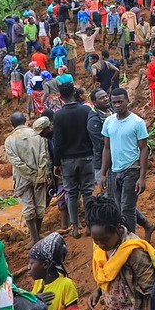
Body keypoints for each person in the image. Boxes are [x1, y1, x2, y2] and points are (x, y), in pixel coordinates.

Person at [87, 196, 155, 310]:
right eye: (96, 240)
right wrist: (98, 291)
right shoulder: (100, 248)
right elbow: (106, 274)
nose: (100, 244)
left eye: (104, 240)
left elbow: (150, 290)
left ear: (119, 229)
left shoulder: (134, 251)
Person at [101, 89, 150, 235]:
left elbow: (144, 149)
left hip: (132, 169)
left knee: (127, 209)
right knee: (118, 206)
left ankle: (130, 241)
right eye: (114, 102)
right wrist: (103, 173)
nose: (117, 105)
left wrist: (142, 177)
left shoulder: (137, 122)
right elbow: (107, 148)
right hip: (115, 171)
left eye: (120, 101)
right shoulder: (109, 122)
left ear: (127, 101)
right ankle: (146, 226)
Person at [53, 83, 95, 238]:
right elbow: (91, 133)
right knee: (88, 192)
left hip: (68, 160)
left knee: (72, 194)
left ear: (60, 96)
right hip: (87, 157)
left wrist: (56, 163)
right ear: (75, 93)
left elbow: (58, 142)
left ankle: (75, 227)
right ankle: (90, 226)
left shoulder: (58, 115)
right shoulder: (85, 110)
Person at [4, 113, 49, 245]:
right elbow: (43, 157)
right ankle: (37, 234)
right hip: (39, 176)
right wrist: (38, 176)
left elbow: (15, 162)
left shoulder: (9, 140)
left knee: (28, 208)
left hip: (22, 178)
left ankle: (34, 239)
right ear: (25, 121)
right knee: (40, 206)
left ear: (12, 124)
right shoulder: (38, 135)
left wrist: (29, 174)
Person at [29, 233, 83, 310]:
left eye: (31, 263)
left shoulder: (66, 285)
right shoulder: (39, 282)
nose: (28, 267)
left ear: (45, 264)